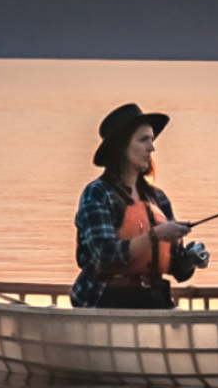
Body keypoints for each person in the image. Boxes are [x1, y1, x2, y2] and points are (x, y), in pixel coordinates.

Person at [72, 103, 206, 309]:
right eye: (143, 140)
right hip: (106, 304)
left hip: (154, 301)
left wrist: (191, 259)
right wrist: (156, 235)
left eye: (152, 140)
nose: (151, 147)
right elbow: (105, 257)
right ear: (121, 146)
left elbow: (178, 270)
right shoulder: (98, 193)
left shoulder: (158, 198)